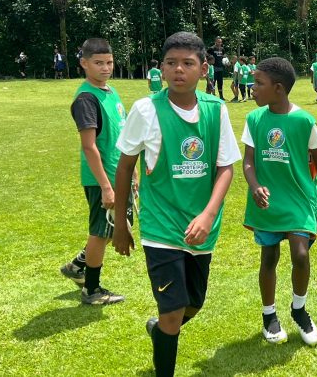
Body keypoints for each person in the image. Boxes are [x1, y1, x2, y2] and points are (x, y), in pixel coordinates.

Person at [113, 31, 239, 376]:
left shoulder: (216, 110)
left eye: (187, 63)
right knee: (171, 311)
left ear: (203, 69)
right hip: (161, 226)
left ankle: (160, 331)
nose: (178, 70)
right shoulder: (145, 110)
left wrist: (208, 214)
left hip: (202, 227)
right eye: (171, 63)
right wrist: (121, 223)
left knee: (193, 305)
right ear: (162, 70)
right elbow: (125, 167)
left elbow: (226, 167)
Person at [241, 57, 317, 346]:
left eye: (258, 83)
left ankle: (299, 309)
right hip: (268, 200)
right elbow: (248, 161)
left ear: (278, 88)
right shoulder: (254, 119)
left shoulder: (304, 120)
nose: (252, 88)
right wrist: (255, 186)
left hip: (298, 198)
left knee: (301, 255)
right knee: (269, 257)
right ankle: (269, 315)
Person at [59, 38, 130, 305]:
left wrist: (130, 173)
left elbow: (120, 135)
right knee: (101, 232)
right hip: (102, 178)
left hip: (117, 172)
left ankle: (79, 265)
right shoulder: (87, 99)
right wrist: (106, 186)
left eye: (109, 62)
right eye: (98, 63)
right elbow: (89, 147)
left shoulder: (110, 91)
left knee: (114, 227)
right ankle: (92, 290)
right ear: (84, 63)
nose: (105, 68)